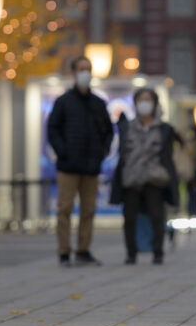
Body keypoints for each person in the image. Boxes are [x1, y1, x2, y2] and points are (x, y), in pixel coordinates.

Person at [47, 55, 113, 267]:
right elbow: (53, 129)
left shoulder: (98, 103)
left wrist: (102, 152)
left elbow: (108, 131)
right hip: (68, 166)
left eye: (88, 69)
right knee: (64, 209)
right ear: (74, 72)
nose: (85, 73)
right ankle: (64, 251)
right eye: (81, 69)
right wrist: (62, 150)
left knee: (88, 210)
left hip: (91, 166)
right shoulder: (64, 102)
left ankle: (83, 250)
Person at [109, 88, 179, 264]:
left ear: (155, 104)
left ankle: (158, 252)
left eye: (148, 100)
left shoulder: (164, 129)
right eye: (141, 100)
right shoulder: (126, 127)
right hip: (131, 178)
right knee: (130, 217)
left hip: (154, 178)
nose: (144, 103)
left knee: (157, 215)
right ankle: (131, 253)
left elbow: (168, 156)